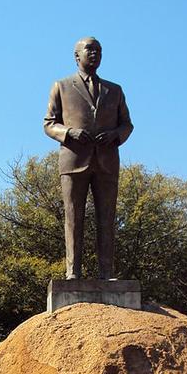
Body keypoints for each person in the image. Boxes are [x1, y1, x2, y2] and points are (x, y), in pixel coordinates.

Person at [44, 37, 133, 280]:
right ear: (77, 56)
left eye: (99, 50)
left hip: (106, 161)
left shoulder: (114, 90)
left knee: (107, 218)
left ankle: (107, 273)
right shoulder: (61, 86)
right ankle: (73, 272)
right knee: (73, 217)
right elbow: (49, 124)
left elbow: (127, 124)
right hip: (74, 160)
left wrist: (115, 135)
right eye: (90, 50)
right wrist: (69, 133)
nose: (95, 54)